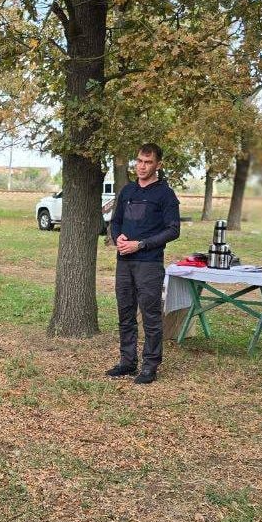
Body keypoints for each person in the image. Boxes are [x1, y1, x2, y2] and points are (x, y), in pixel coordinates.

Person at [106, 143, 181, 385]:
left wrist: (141, 244)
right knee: (125, 313)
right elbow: (115, 221)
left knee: (150, 316)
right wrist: (117, 236)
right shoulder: (127, 191)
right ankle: (128, 361)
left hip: (149, 264)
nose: (142, 166)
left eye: (148, 162)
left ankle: (150, 365)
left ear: (158, 165)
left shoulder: (165, 195)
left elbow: (173, 230)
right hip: (124, 262)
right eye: (139, 161)